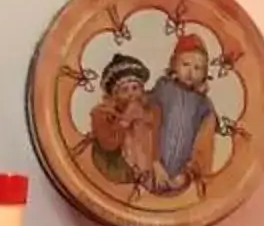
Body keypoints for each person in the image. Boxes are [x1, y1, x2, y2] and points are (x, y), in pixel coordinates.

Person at [145, 33, 221, 194]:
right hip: (152, 169)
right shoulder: (163, 89)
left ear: (205, 73)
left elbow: (204, 142)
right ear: (174, 64)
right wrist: (154, 162)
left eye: (197, 68)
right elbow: (148, 124)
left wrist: (187, 174)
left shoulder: (203, 105)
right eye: (185, 64)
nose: (190, 72)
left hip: (181, 178)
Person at [89, 53, 159, 186]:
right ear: (114, 96)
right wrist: (126, 120)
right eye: (125, 90)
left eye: (135, 88)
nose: (131, 94)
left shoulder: (149, 111)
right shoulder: (103, 115)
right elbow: (109, 144)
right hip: (119, 169)